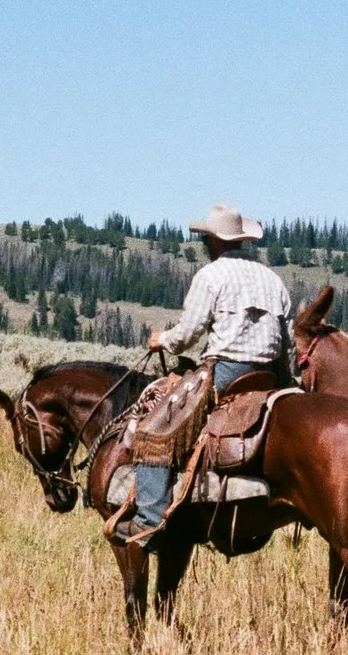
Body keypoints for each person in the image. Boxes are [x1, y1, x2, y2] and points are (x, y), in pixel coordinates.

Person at [119, 204, 296, 543]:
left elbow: (189, 334)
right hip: (270, 376)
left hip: (226, 371)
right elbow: (288, 342)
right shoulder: (272, 280)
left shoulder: (211, 276)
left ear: (214, 242)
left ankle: (149, 521)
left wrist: (162, 340)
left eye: (205, 239)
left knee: (156, 427)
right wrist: (287, 381)